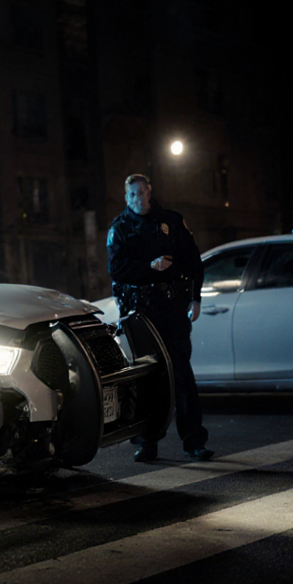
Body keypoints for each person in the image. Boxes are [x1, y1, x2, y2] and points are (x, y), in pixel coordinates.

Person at [107, 174, 213, 463]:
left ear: (150, 191)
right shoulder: (120, 228)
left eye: (142, 192)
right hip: (141, 313)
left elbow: (194, 261)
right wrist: (148, 267)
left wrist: (196, 297)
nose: (139, 198)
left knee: (181, 374)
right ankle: (146, 443)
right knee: (147, 377)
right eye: (133, 194)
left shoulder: (172, 221)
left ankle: (193, 441)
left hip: (171, 308)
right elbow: (117, 270)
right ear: (126, 197)